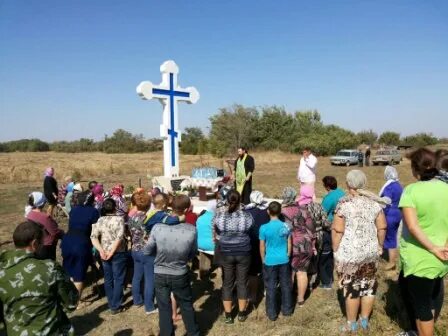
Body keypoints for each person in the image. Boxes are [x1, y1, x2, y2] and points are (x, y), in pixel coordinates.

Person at [399, 148, 448, 336]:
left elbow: (412, 227)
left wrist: (433, 248)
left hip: (420, 258)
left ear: (414, 169)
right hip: (442, 258)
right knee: (430, 301)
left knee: (421, 307)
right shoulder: (446, 188)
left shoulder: (411, 191)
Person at [332, 170, 388, 333]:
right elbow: (382, 227)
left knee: (352, 289)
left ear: (349, 184)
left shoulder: (344, 205)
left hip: (350, 254)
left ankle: (351, 323)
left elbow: (337, 231)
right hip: (370, 252)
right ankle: (364, 320)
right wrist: (380, 245)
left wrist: (335, 249)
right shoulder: (375, 203)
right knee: (368, 287)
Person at [0, 221, 79, 336]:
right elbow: (71, 303)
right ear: (35, 244)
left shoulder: (2, 271)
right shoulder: (50, 268)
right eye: (42, 242)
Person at [144, 195, 200, 336]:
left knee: (164, 307)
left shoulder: (157, 228)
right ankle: (193, 332)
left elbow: (147, 250)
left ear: (170, 207)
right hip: (179, 272)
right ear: (187, 209)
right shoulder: (191, 230)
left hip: (160, 273)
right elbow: (192, 253)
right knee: (186, 304)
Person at [213, 190, 254, 323]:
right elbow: (252, 227)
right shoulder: (246, 215)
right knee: (242, 282)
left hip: (226, 251)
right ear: (240, 199)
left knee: (227, 283)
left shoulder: (220, 216)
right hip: (243, 251)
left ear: (227, 200)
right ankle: (242, 313)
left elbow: (216, 229)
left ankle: (228, 315)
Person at [291, 184, 329, 306]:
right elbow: (325, 223)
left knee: (300, 265)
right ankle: (311, 284)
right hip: (318, 236)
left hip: (301, 239)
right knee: (314, 261)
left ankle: (298, 286)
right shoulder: (318, 206)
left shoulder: (298, 206)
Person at [61, 191, 100, 302]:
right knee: (79, 273)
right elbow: (95, 231)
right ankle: (75, 302)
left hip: (67, 240)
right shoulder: (94, 212)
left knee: (68, 271)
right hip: (81, 242)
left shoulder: (74, 209)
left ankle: (66, 297)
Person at [90, 198, 127, 314]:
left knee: (108, 279)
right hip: (118, 253)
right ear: (115, 207)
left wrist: (101, 251)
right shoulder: (119, 219)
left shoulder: (100, 220)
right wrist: (111, 252)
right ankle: (116, 305)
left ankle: (112, 303)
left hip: (104, 252)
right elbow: (119, 238)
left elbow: (93, 237)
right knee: (118, 279)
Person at [259, 201, 293, 321]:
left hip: (270, 261)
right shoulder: (286, 226)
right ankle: (287, 310)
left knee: (271, 287)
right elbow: (289, 243)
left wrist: (263, 259)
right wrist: (287, 255)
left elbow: (262, 246)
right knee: (286, 285)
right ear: (280, 212)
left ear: (268, 211)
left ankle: (272, 313)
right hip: (283, 259)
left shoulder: (263, 228)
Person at [127, 192, 158, 314]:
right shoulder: (148, 219)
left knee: (137, 276)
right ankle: (149, 307)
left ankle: (137, 300)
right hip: (147, 251)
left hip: (135, 249)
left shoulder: (131, 218)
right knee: (150, 279)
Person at [244, 190, 270, 304]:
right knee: (265, 268)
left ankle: (252, 295)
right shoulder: (266, 212)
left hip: (251, 244)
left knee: (253, 273)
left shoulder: (246, 211)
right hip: (264, 243)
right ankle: (266, 290)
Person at [320, 176, 345, 288]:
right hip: (343, 226)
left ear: (327, 186)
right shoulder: (341, 192)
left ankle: (326, 282)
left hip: (330, 228)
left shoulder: (329, 198)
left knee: (325, 256)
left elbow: (322, 213)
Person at [26, 191, 64, 260]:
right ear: (42, 203)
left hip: (36, 243)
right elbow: (54, 232)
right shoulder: (45, 217)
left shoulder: (29, 214)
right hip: (47, 245)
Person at [379, 166, 403, 270]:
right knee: (392, 236)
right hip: (398, 213)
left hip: (390, 214)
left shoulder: (389, 187)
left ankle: (392, 262)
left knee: (390, 237)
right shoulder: (398, 185)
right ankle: (391, 259)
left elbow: (386, 200)